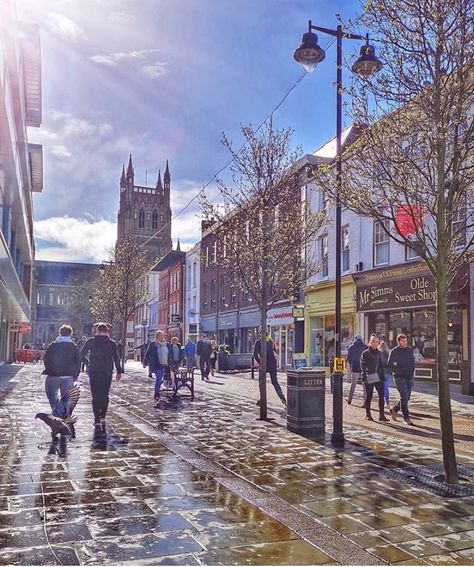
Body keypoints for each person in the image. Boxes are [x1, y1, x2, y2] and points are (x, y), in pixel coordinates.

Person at [80, 323, 123, 428]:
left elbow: (81, 354)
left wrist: (87, 363)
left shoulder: (91, 341)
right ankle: (103, 415)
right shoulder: (112, 343)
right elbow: (116, 358)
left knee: (95, 395)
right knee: (105, 394)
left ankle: (96, 418)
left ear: (97, 331)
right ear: (107, 332)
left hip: (94, 370)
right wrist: (119, 371)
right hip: (107, 371)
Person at [42, 325, 81, 430]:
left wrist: (50, 369)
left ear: (59, 333)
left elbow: (46, 360)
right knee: (67, 398)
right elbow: (78, 362)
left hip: (53, 376)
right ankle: (63, 416)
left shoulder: (53, 345)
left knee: (52, 396)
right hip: (68, 376)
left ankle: (56, 416)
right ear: (70, 334)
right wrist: (76, 375)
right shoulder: (73, 346)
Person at [253, 330, 286, 407]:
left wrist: (260, 362)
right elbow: (276, 351)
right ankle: (282, 398)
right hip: (272, 364)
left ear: (260, 334)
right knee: (275, 382)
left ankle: (262, 399)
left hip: (264, 364)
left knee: (261, 382)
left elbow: (255, 355)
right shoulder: (271, 341)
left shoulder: (258, 342)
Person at [388, 333, 416, 425]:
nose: (405, 342)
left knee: (407, 397)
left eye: (406, 341)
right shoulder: (394, 351)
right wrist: (397, 370)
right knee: (404, 396)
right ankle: (406, 417)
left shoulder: (410, 350)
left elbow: (412, 361)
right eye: (403, 341)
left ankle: (395, 409)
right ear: (398, 342)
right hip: (399, 377)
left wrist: (412, 371)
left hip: (409, 376)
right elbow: (391, 363)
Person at [360, 334, 389, 422]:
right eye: (373, 341)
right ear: (370, 342)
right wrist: (364, 376)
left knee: (381, 396)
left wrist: (383, 377)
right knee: (369, 396)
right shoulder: (366, 353)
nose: (375, 343)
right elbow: (363, 365)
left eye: (377, 342)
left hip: (379, 376)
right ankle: (368, 414)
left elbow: (382, 365)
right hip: (370, 376)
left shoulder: (380, 353)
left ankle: (381, 415)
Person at [144, 330, 170, 405]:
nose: (162, 337)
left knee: (161, 379)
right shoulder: (153, 344)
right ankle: (156, 393)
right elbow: (148, 353)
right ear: (157, 336)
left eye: (163, 335)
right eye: (161, 336)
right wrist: (145, 362)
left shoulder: (166, 344)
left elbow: (169, 354)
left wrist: (171, 363)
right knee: (158, 378)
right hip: (156, 364)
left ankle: (158, 391)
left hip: (164, 364)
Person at [346, 334, 367, 405]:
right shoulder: (365, 347)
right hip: (363, 367)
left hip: (354, 367)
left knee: (353, 384)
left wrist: (351, 364)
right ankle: (365, 402)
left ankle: (349, 399)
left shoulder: (351, 347)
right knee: (365, 385)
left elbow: (348, 358)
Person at [378, 341, 392, 409]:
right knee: (385, 387)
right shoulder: (389, 353)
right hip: (389, 372)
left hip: (383, 372)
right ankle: (387, 402)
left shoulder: (381, 354)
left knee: (384, 388)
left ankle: (387, 402)